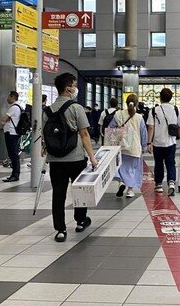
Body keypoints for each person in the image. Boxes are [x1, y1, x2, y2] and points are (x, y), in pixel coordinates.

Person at [45, 72, 99, 241]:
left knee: (58, 194)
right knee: (80, 191)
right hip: (76, 158)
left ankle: (60, 230)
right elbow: (84, 135)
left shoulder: (48, 110)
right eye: (75, 85)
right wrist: (92, 157)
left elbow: (45, 134)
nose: (76, 88)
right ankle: (81, 220)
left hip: (55, 160)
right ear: (68, 88)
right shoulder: (76, 108)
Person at [147, 88, 180, 196]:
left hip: (157, 143)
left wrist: (149, 143)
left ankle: (159, 185)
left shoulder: (154, 110)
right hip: (170, 142)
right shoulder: (176, 109)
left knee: (158, 163)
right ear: (171, 98)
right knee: (170, 162)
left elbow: (150, 127)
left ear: (160, 97)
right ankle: (171, 183)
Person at [110, 93, 148, 199]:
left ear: (126, 103)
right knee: (132, 169)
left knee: (120, 167)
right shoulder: (139, 118)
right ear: (136, 104)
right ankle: (130, 190)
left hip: (120, 147)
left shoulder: (118, 114)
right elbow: (143, 134)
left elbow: (111, 128)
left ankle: (121, 183)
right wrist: (144, 147)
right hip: (134, 148)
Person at [1, 91, 22, 183]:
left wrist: (7, 119)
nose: (7, 98)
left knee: (13, 154)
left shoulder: (14, 108)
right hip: (14, 133)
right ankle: (15, 174)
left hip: (11, 133)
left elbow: (3, 118)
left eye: (8, 96)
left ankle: (15, 174)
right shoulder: (19, 107)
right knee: (13, 154)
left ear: (12, 97)